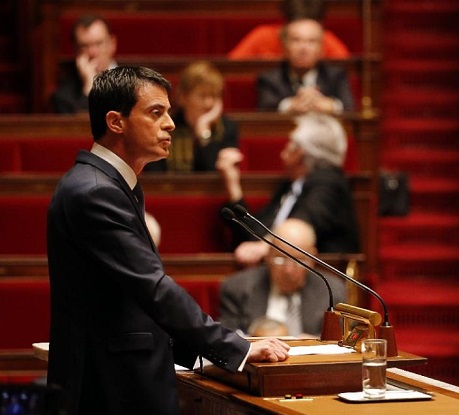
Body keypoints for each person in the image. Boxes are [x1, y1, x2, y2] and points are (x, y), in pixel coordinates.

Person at [46, 66, 289, 415]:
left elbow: (128, 297)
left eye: (169, 112)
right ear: (116, 122)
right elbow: (152, 288)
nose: (171, 124)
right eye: (156, 112)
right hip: (110, 388)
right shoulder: (96, 192)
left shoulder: (109, 184)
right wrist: (235, 348)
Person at [216, 112, 360, 266]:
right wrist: (233, 187)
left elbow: (304, 220)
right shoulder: (290, 185)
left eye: (290, 144)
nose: (282, 151)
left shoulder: (330, 183)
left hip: (319, 279)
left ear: (299, 153)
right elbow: (257, 234)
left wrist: (266, 247)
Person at [219, 218, 347, 337]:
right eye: (280, 259)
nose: (288, 270)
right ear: (268, 254)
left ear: (312, 257)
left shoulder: (332, 291)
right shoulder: (237, 288)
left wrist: (314, 343)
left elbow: (339, 342)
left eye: (298, 261)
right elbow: (228, 340)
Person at [144, 61, 238, 172]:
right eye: (202, 95)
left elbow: (212, 174)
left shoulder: (227, 128)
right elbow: (155, 176)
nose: (209, 103)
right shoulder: (164, 127)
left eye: (214, 95)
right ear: (183, 97)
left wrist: (204, 132)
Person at [256, 13, 354, 115]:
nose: (303, 48)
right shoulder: (269, 79)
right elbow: (265, 108)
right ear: (284, 46)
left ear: (321, 49)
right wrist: (290, 105)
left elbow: (349, 107)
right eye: (296, 40)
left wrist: (330, 105)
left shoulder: (336, 76)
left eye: (311, 41)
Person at [228, 0, 350, 60]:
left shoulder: (325, 39)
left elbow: (343, 70)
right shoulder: (262, 36)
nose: (303, 46)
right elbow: (233, 68)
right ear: (286, 24)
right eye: (296, 37)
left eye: (311, 40)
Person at [51, 15, 117, 113]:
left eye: (98, 44)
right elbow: (83, 127)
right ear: (75, 50)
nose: (92, 52)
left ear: (112, 44)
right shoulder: (63, 98)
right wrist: (89, 87)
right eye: (84, 46)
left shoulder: (138, 83)